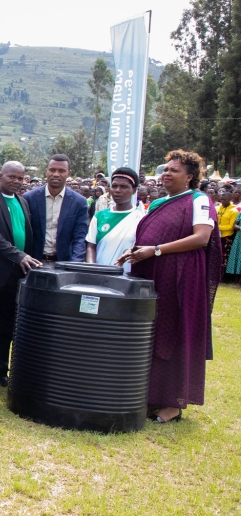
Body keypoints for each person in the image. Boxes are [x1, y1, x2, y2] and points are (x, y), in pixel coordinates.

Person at [118, 150, 221, 424]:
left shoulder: (199, 200)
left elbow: (201, 238)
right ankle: (149, 394)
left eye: (174, 170)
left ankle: (172, 404)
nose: (166, 173)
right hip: (153, 274)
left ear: (189, 177)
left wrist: (157, 250)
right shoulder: (160, 202)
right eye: (165, 169)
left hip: (181, 278)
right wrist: (136, 251)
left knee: (174, 332)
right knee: (149, 332)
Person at [0, 160, 41, 388]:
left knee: (7, 322)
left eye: (20, 178)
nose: (16, 181)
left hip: (17, 273)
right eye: (11, 176)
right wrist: (18, 255)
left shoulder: (23, 202)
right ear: (0, 176)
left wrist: (25, 258)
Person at [23, 154, 89, 265]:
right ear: (46, 171)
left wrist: (75, 264)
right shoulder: (29, 198)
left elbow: (80, 237)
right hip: (33, 263)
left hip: (64, 264)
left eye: (61, 171)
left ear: (69, 173)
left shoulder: (79, 202)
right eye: (52, 170)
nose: (56, 174)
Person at [85, 168, 144, 273]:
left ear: (134, 190)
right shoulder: (99, 216)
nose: (117, 190)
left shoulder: (141, 218)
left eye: (124, 187)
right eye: (115, 186)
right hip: (99, 277)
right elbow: (91, 246)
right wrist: (92, 270)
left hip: (127, 279)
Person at [216, 188, 238, 279]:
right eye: (221, 199)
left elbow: (231, 226)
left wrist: (218, 227)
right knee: (216, 255)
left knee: (224, 256)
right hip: (217, 236)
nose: (222, 201)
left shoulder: (234, 211)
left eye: (224, 199)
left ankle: (223, 277)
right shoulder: (218, 208)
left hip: (227, 236)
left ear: (230, 199)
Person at [224, 189, 241, 283]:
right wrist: (240, 228)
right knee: (236, 258)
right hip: (239, 237)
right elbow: (234, 225)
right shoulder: (240, 213)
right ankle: (234, 279)